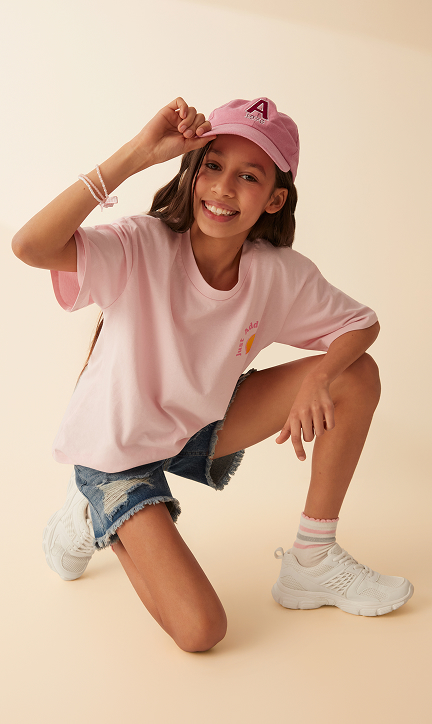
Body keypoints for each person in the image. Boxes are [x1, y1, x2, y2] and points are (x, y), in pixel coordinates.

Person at [12, 96, 414, 653]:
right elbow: (30, 246)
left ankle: (313, 558)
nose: (224, 188)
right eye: (213, 165)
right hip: (116, 454)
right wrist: (137, 154)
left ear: (274, 199)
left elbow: (362, 325)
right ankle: (92, 510)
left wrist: (320, 377)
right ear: (192, 171)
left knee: (355, 374)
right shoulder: (140, 245)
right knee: (202, 631)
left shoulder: (277, 274)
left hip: (194, 429)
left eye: (248, 176)